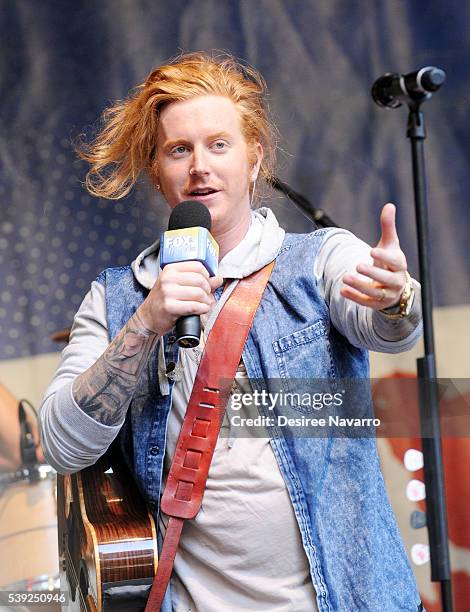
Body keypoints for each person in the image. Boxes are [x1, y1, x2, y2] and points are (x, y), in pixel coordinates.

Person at [40, 52, 424, 611]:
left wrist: (397, 298)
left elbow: (391, 331)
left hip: (348, 597)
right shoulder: (117, 298)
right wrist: (147, 323)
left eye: (219, 145)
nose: (200, 166)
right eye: (179, 149)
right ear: (157, 170)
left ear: (254, 160)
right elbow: (62, 446)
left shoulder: (319, 260)